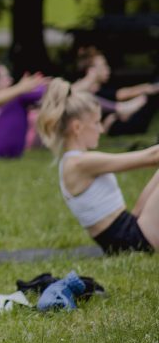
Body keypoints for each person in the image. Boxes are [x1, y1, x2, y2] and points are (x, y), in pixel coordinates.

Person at [36, 79, 157, 254]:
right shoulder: (79, 163)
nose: (101, 129)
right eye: (96, 123)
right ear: (77, 127)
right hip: (133, 243)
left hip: (130, 233)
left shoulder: (74, 162)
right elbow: (152, 157)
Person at [70, 46, 158, 136]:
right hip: (117, 125)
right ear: (91, 70)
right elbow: (124, 94)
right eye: (103, 66)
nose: (108, 69)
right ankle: (121, 108)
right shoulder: (83, 93)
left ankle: (122, 108)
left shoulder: (100, 90)